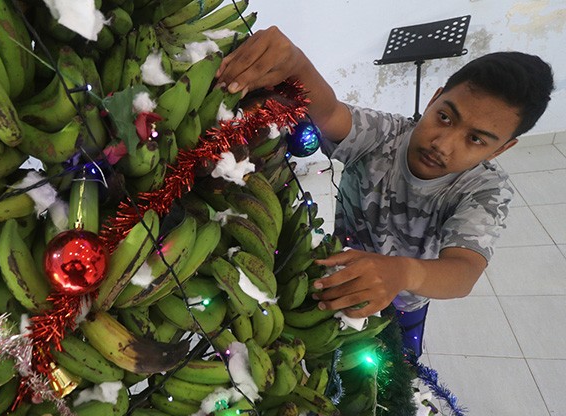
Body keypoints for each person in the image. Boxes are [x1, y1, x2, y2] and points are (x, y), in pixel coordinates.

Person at [215, 26, 554, 356]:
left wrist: (402, 272)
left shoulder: (483, 190)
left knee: (400, 368)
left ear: (499, 150)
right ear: (435, 99)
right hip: (335, 278)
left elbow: (464, 271)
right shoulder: (384, 135)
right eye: (445, 117)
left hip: (407, 302)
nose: (443, 143)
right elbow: (331, 112)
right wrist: (297, 64)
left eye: (475, 139)